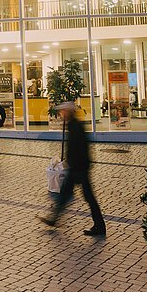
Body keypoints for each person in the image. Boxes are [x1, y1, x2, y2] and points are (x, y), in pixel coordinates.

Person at [37, 101, 106, 236]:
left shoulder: (76, 126)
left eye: (62, 111)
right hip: (77, 167)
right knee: (65, 194)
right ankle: (53, 219)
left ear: (68, 112)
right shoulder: (74, 125)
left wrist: (74, 162)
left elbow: (80, 147)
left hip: (79, 168)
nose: (61, 114)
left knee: (87, 197)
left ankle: (99, 226)